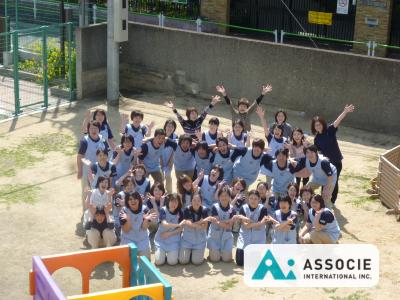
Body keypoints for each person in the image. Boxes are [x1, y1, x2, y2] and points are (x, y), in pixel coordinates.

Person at [311, 104, 355, 206]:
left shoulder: (330, 131)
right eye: (316, 125)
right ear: (314, 127)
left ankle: (332, 201)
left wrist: (345, 111)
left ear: (323, 124)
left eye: (319, 124)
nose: (318, 126)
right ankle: (324, 199)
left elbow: (337, 121)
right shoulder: (316, 139)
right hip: (326, 164)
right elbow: (318, 152)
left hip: (336, 162)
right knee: (325, 181)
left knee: (334, 182)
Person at [77, 120, 108, 209]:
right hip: (87, 170)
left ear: (99, 129)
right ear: (88, 129)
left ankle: (99, 210)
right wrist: (80, 170)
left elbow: (106, 154)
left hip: (100, 170)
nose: (93, 130)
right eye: (91, 128)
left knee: (100, 190)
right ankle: (86, 210)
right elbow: (80, 156)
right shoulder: (85, 141)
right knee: (87, 191)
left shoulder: (102, 139)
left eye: (96, 128)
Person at [235, 190, 269, 266]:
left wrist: (248, 220)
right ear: (248, 198)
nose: (253, 201)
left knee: (254, 263)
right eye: (251, 198)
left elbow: (259, 226)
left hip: (258, 239)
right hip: (244, 238)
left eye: (255, 199)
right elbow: (245, 226)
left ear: (259, 199)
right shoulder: (243, 208)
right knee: (240, 262)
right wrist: (258, 223)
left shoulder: (263, 209)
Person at [120, 192, 157, 259]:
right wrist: (128, 220)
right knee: (126, 263)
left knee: (145, 261)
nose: (133, 201)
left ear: (139, 200)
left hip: (142, 239)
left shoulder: (145, 209)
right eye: (130, 199)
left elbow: (144, 228)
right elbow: (126, 230)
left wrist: (146, 220)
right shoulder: (123, 211)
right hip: (128, 239)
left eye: (135, 199)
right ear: (127, 201)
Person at [207, 186, 239, 262]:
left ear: (229, 197)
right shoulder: (215, 207)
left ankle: (222, 252)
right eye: (222, 196)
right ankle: (213, 253)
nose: (224, 198)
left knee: (227, 259)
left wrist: (218, 221)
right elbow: (224, 223)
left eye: (226, 196)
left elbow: (229, 225)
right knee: (215, 259)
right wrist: (229, 220)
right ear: (219, 197)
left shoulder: (232, 209)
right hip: (215, 236)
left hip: (226, 236)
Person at [179, 192, 209, 265]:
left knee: (197, 262)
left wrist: (196, 224)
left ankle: (194, 253)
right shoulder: (187, 209)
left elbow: (205, 226)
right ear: (191, 201)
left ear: (201, 202)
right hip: (187, 240)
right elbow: (189, 225)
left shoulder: (204, 210)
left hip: (199, 241)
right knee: (183, 261)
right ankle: (190, 252)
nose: (196, 202)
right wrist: (200, 222)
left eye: (198, 201)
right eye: (194, 200)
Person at [154, 194, 184, 265]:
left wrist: (169, 234)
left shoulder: (180, 212)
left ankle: (171, 254)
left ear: (179, 203)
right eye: (172, 201)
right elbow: (164, 224)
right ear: (168, 201)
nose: (174, 204)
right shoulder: (163, 210)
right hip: (161, 240)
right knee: (159, 262)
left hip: (174, 240)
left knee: (172, 262)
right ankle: (162, 253)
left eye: (176, 202)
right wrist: (178, 225)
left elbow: (181, 229)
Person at [161, 119, 178, 193]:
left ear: (174, 128)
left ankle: (169, 193)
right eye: (168, 126)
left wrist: (171, 162)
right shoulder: (160, 134)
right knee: (160, 177)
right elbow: (157, 149)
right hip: (159, 159)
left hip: (169, 160)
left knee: (168, 176)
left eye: (172, 127)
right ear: (165, 126)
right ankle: (160, 192)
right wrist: (160, 161)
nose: (170, 128)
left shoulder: (175, 136)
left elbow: (174, 150)